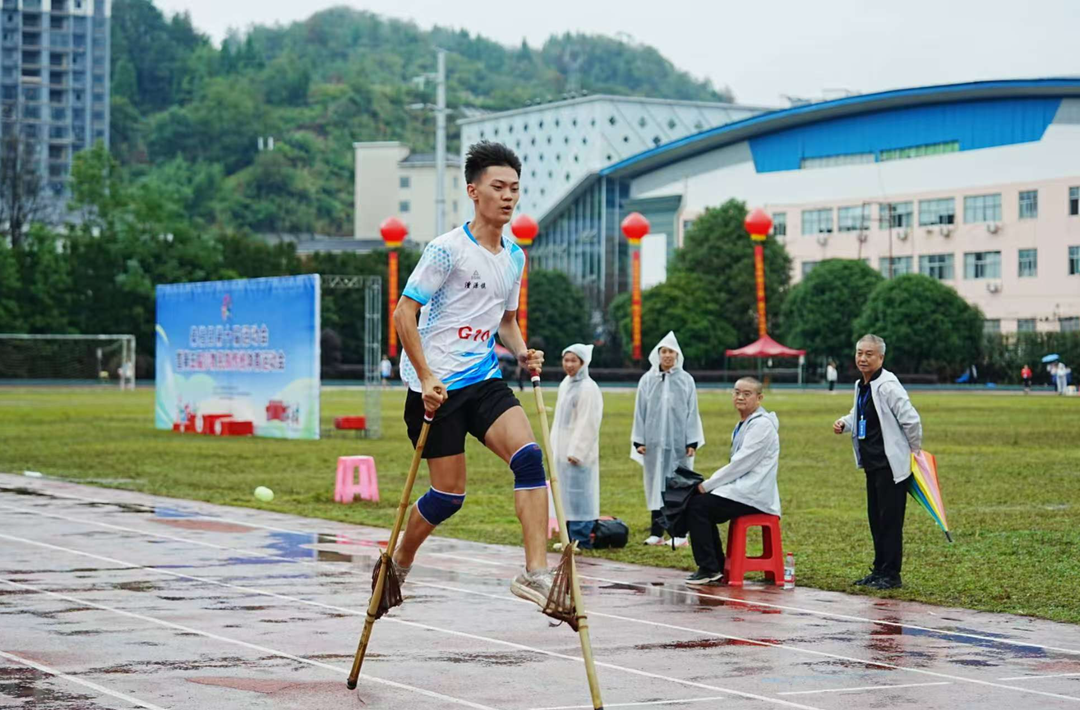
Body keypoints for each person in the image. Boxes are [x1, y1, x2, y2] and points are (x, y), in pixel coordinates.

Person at [391, 141, 552, 608]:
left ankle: (535, 573)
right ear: (473, 191)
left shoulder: (514, 258)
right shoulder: (447, 251)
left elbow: (505, 319)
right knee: (447, 496)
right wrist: (424, 377)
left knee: (528, 458)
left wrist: (521, 352)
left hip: (482, 378)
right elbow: (405, 314)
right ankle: (399, 562)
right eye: (498, 187)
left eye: (515, 189)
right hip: (435, 390)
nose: (508, 197)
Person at [833, 334, 922, 590]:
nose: (862, 358)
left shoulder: (887, 385)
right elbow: (858, 412)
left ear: (881, 357)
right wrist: (845, 422)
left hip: (891, 466)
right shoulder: (863, 384)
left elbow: (911, 420)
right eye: (859, 352)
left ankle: (891, 574)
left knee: (890, 522)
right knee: (876, 519)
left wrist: (913, 451)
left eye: (869, 354)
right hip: (872, 464)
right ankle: (879, 569)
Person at [685, 377, 780, 585]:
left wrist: (707, 485)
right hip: (743, 490)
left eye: (747, 394)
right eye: (737, 392)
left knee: (698, 505)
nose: (740, 397)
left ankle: (710, 568)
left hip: (753, 494)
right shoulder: (743, 424)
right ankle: (714, 566)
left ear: (759, 398)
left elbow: (740, 465)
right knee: (699, 503)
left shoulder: (762, 425)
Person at [631, 331, 705, 548]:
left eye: (671, 351)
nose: (667, 355)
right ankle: (656, 532)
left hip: (677, 444)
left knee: (678, 487)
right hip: (654, 445)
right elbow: (640, 411)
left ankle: (680, 534)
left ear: (677, 354)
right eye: (664, 351)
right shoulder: (647, 380)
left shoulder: (685, 380)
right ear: (658, 354)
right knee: (655, 486)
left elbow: (693, 411)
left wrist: (692, 441)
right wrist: (639, 439)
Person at [550, 343, 604, 548]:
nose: (569, 365)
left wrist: (577, 451)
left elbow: (588, 422)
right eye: (566, 360)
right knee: (565, 494)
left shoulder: (588, 388)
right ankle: (568, 537)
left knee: (581, 494)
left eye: (574, 361)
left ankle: (581, 538)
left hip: (578, 453)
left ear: (583, 363)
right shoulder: (566, 383)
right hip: (562, 448)